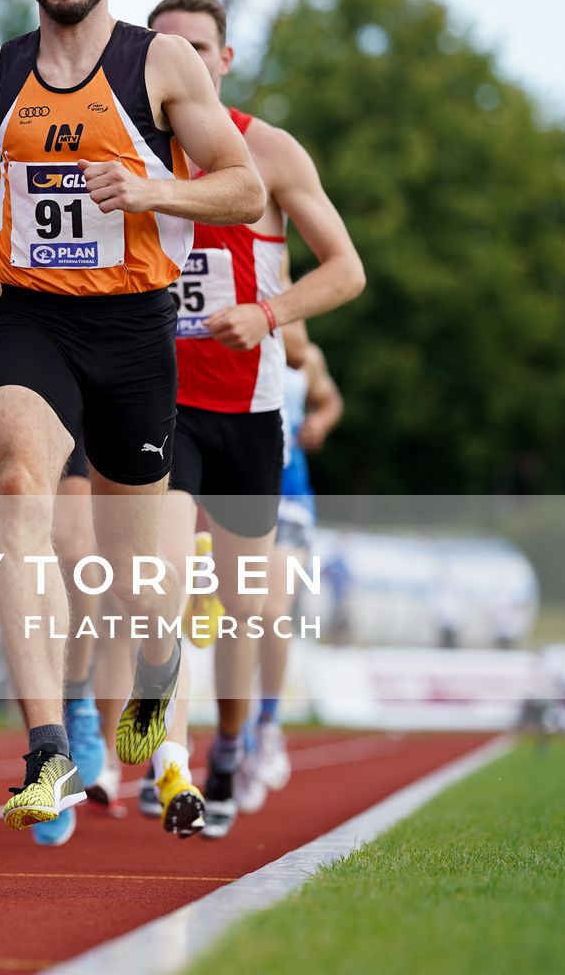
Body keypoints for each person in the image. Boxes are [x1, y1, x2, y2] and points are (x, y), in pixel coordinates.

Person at [0, 0, 264, 837]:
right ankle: (48, 753)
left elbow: (242, 190)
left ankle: (156, 679)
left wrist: (150, 186)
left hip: (134, 331)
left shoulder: (158, 64)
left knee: (135, 585)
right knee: (17, 486)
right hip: (32, 321)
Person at [144, 0, 364, 839]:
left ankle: (230, 741)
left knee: (249, 610)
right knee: (158, 589)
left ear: (224, 60)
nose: (185, 63)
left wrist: (267, 316)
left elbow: (346, 270)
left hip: (246, 407)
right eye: (167, 49)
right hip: (157, 404)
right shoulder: (124, 150)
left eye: (200, 49)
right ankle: (169, 761)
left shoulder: (266, 151)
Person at [234, 318, 342, 816]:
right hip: (232, 495)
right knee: (240, 614)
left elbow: (329, 398)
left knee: (274, 614)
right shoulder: (227, 331)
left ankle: (268, 723)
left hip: (290, 499)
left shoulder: (307, 354)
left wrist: (320, 421)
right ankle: (231, 738)